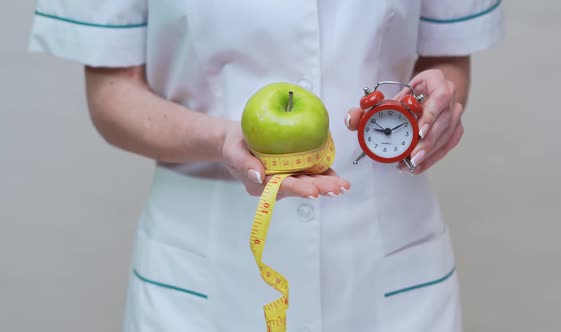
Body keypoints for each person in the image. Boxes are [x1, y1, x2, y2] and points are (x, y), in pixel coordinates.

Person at [29, 1, 504, 331]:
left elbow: (447, 53)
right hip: (207, 268)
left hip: (385, 258)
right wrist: (221, 138)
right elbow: (111, 96)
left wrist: (433, 105)